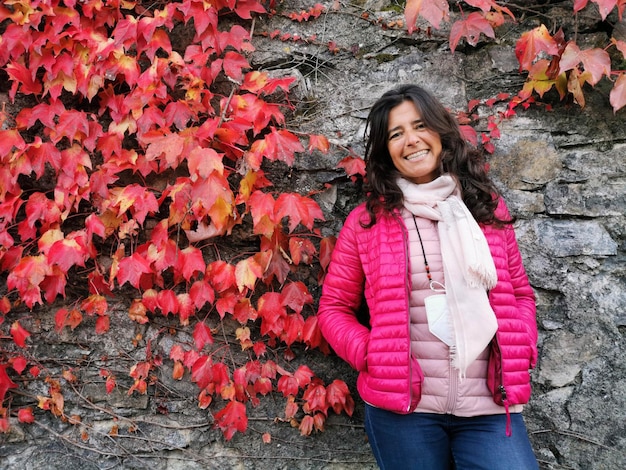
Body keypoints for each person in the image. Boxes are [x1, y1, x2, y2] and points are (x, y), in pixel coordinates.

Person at [317, 84, 539, 470]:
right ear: (386, 151)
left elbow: (520, 294)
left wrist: (522, 340)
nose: (411, 140)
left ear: (440, 133)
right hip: (404, 412)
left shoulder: (485, 210)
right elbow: (334, 309)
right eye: (396, 133)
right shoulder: (367, 223)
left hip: (488, 406)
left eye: (419, 126)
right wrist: (372, 355)